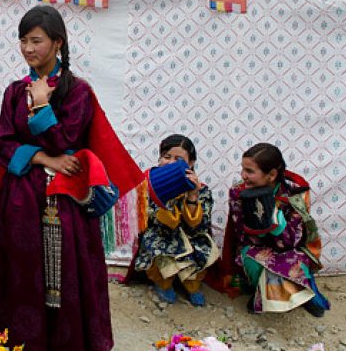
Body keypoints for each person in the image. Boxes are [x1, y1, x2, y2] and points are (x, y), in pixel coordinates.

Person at [0, 5, 141, 351]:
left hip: (66, 202)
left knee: (69, 278)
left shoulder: (78, 92)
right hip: (22, 202)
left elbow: (69, 143)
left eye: (36, 40)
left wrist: (43, 106)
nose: (28, 48)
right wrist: (44, 158)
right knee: (25, 278)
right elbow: (4, 144)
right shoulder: (14, 92)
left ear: (58, 43)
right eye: (23, 41)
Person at [219, 143, 329, 316]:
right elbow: (240, 234)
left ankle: (304, 295)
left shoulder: (295, 193)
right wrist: (260, 228)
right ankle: (261, 294)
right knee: (253, 260)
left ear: (271, 175)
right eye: (243, 169)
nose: (243, 175)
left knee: (295, 259)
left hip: (290, 246)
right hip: (256, 246)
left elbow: (297, 238)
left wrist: (277, 226)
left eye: (250, 171)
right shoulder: (238, 192)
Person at [130, 134, 217, 307]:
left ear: (191, 163)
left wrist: (192, 196)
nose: (170, 163)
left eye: (178, 159)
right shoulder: (148, 185)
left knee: (199, 252)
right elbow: (151, 220)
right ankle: (163, 283)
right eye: (166, 156)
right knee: (157, 249)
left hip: (191, 237)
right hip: (161, 235)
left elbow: (198, 226)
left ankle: (192, 285)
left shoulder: (202, 190)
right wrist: (165, 196)